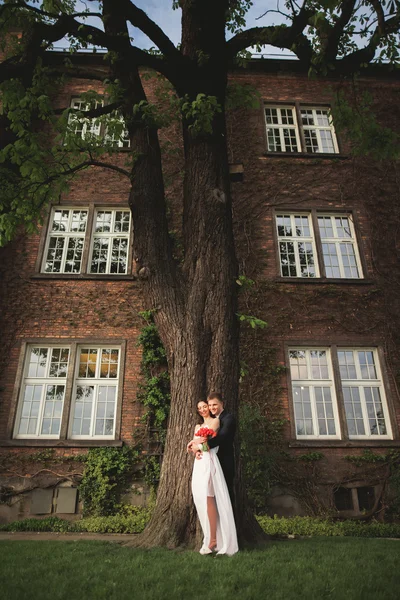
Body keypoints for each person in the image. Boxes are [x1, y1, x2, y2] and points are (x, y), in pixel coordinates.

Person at [187, 398, 238, 556]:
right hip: (200, 463)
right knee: (203, 497)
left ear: (221, 404)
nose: (205, 409)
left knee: (220, 498)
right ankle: (212, 537)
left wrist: (198, 445)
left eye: (207, 406)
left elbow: (216, 441)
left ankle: (224, 539)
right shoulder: (198, 426)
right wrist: (194, 449)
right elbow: (191, 447)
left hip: (212, 462)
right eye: (202, 407)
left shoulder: (218, 421)